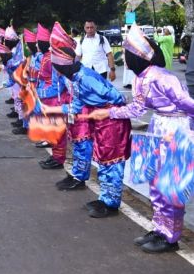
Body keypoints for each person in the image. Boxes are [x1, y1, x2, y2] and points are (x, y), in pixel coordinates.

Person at [89, 25, 192, 253]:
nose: (124, 58)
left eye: (127, 54)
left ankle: (170, 237)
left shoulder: (163, 77)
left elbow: (187, 104)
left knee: (170, 186)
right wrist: (109, 112)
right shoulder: (141, 77)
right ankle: (159, 229)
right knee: (154, 181)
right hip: (157, 126)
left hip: (176, 130)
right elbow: (136, 109)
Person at [41, 23, 130, 219]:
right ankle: (105, 198)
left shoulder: (86, 77)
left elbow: (116, 97)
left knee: (111, 162)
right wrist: (54, 109)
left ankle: (111, 203)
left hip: (111, 122)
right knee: (104, 161)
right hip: (102, 121)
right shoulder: (76, 78)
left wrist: (110, 114)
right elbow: (75, 105)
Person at [35, 23, 70, 168]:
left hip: (56, 100)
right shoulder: (46, 57)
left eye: (38, 42)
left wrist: (40, 93)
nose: (36, 45)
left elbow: (58, 85)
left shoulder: (53, 59)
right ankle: (56, 156)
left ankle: (58, 159)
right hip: (48, 100)